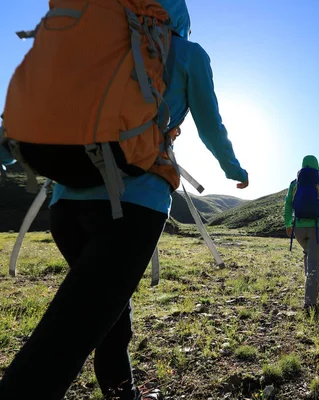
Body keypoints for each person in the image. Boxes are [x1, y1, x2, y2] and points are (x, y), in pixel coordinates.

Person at [0, 1, 248, 399]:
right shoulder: (188, 53)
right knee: (64, 339)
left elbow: (45, 107)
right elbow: (211, 127)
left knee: (106, 311)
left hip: (64, 204)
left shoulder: (93, 40)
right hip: (134, 206)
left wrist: (6, 151)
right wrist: (235, 170)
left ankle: (121, 392)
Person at [284, 155, 319, 310]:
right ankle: (309, 303)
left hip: (298, 229)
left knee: (308, 254)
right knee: (313, 264)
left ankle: (314, 289)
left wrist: (288, 224)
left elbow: (288, 204)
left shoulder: (295, 183)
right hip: (316, 228)